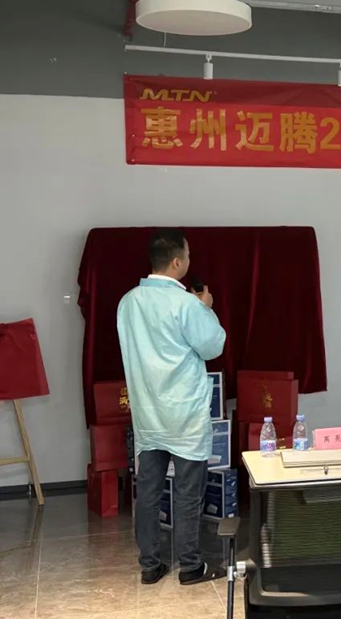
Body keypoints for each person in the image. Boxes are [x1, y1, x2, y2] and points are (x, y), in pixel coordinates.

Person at [117, 229, 227, 586]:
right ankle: (191, 565)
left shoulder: (128, 302)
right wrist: (206, 309)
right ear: (177, 262)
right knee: (188, 493)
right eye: (188, 256)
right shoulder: (187, 304)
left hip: (148, 412)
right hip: (184, 414)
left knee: (148, 494)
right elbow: (212, 346)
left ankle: (150, 565)